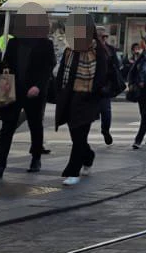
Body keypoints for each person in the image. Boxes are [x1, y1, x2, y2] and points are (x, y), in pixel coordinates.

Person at [0, 14, 55, 179]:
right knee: (7, 127)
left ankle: (36, 158)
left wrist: (38, 86)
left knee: (35, 125)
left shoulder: (46, 44)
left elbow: (48, 67)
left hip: (34, 91)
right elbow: (7, 63)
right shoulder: (14, 42)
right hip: (13, 89)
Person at [52, 30, 122, 186]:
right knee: (76, 136)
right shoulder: (70, 51)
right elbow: (62, 72)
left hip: (89, 100)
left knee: (80, 136)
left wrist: (92, 93)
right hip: (70, 99)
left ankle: (73, 172)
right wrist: (59, 93)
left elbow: (101, 77)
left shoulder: (99, 52)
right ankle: (88, 156)